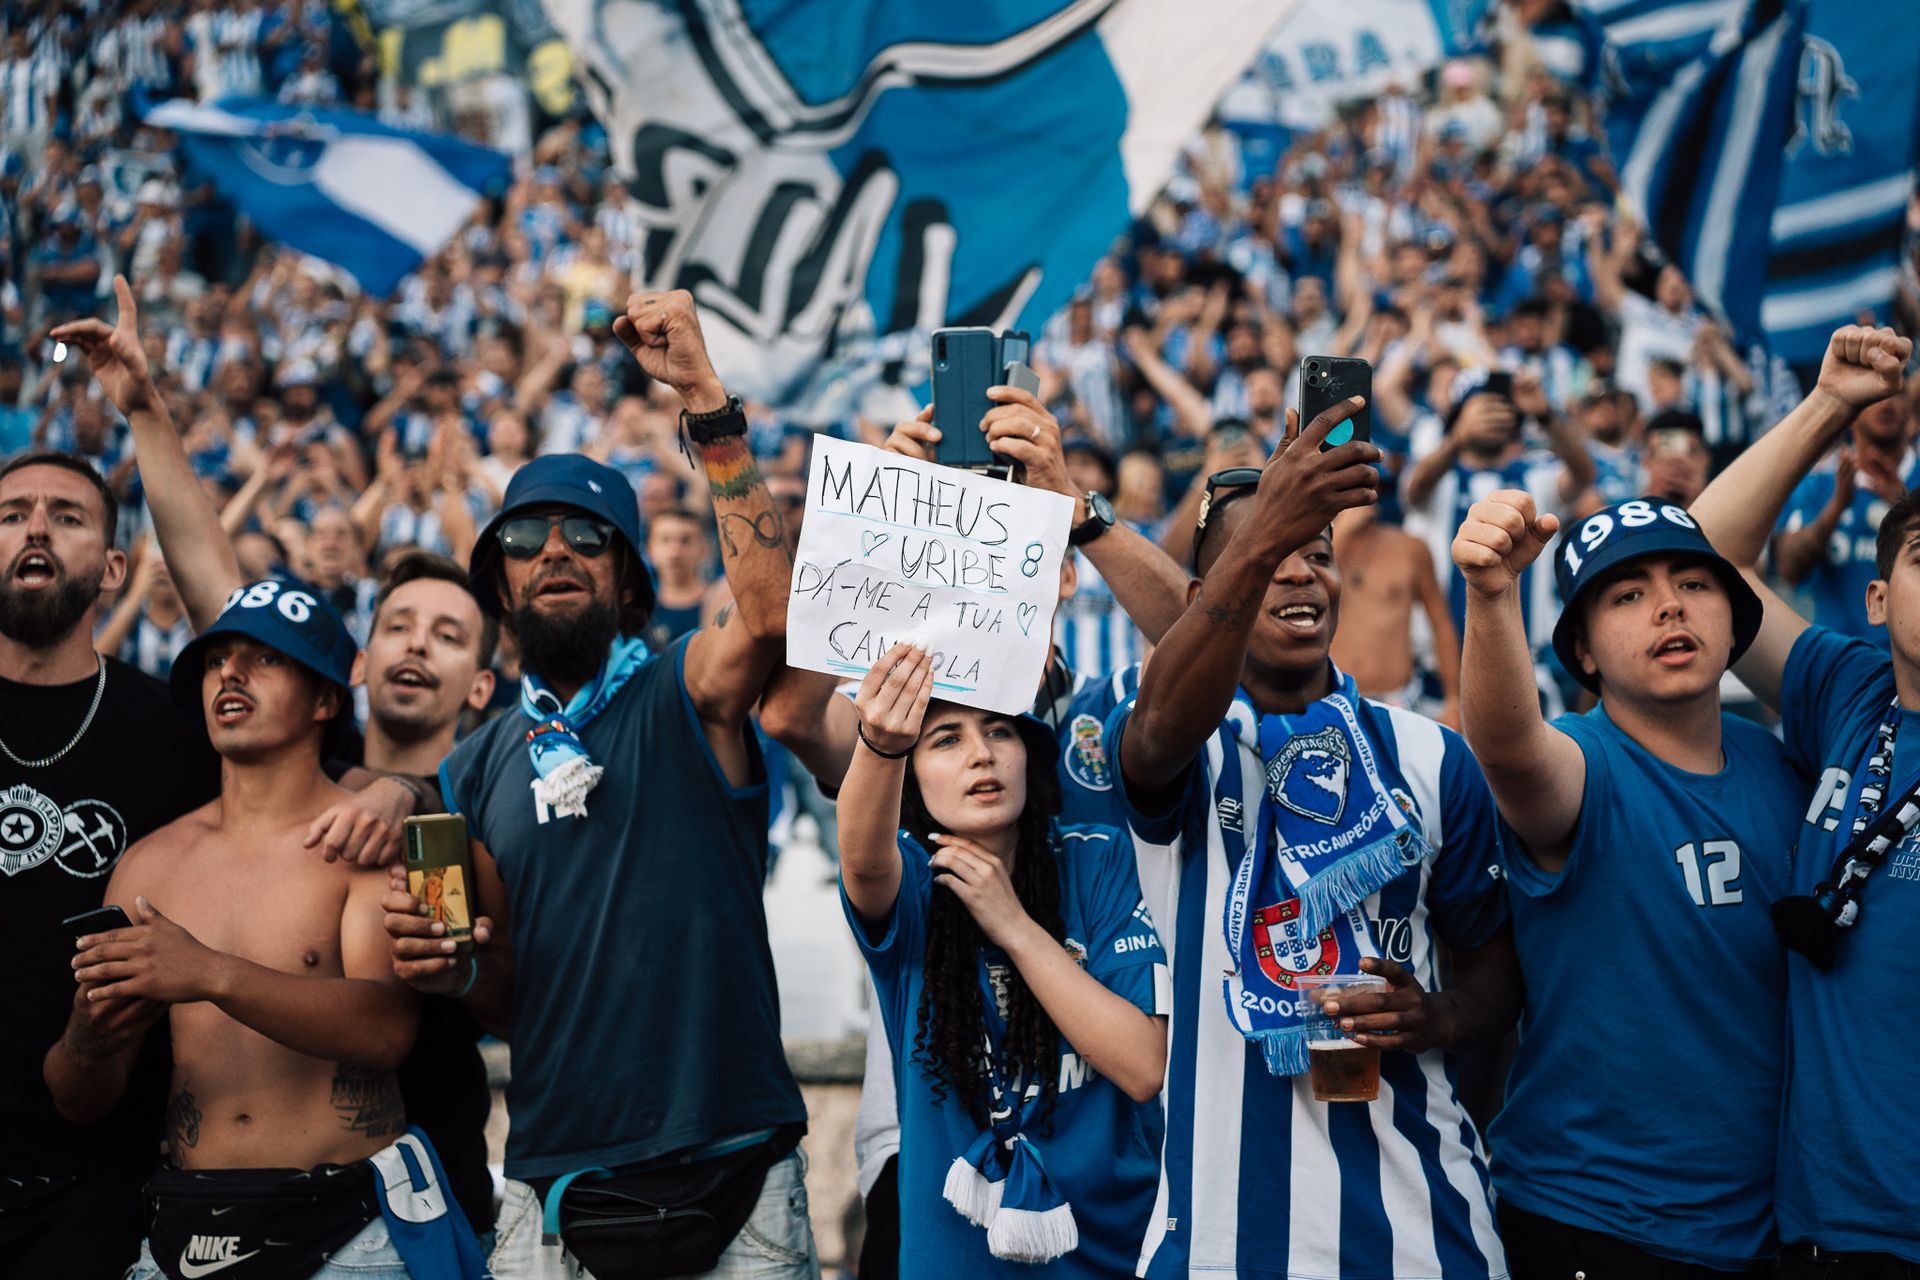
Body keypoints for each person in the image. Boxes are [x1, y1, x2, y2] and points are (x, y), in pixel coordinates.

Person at [388, 289, 820, 1279]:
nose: (554, 551)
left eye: (587, 535)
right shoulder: (468, 770)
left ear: (630, 579)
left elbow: (766, 619)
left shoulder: (683, 689)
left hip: (736, 1166)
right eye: (524, 538)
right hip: (556, 1185)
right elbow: (502, 994)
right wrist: (451, 968)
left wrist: (705, 401)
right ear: (499, 587)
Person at [1108, 398, 1517, 1278]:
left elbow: (1494, 969)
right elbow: (1158, 730)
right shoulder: (1173, 743)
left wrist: (1436, 1014)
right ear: (1202, 598)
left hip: (1421, 1237)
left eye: (1319, 554)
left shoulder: (1432, 756)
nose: (1299, 573)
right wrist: (1265, 534)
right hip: (1217, 1244)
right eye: (1270, 556)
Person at [48, 580, 482, 1280]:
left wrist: (210, 972)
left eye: (266, 659)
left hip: (350, 1232)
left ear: (325, 700)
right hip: (184, 1226)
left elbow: (386, 1032)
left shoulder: (363, 841)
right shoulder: (147, 866)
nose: (232, 673)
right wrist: (85, 1037)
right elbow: (79, 1097)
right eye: (217, 659)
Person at [1451, 489, 1799, 1277]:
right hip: (1593, 1220)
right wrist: (1492, 595)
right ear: (1582, 652)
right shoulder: (1583, 760)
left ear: (1736, 623)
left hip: (1766, 1227)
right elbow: (1509, 751)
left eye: (1695, 584)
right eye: (1628, 596)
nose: (1670, 607)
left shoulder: (1784, 764)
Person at [1688, 325, 1920, 1278]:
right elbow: (1706, 549)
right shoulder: (1850, 693)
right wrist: (1828, 406)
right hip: (1824, 1225)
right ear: (1877, 600)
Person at [837, 644, 1168, 1276]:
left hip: (1110, 1256)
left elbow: (1143, 1067)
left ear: (1028, 756)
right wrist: (880, 745)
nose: (981, 754)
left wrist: (1013, 925)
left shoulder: (1097, 859)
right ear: (912, 775)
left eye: (998, 731)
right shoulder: (912, 883)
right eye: (945, 740)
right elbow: (862, 861)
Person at [0, 450, 219, 1279]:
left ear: (114, 568)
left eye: (67, 516)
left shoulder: (173, 733)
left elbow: (316, 781)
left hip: (94, 1186)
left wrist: (394, 789)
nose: (36, 529)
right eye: (12, 514)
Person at [1773, 384, 1918, 638]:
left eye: (1897, 393)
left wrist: (1903, 505)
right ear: (1850, 413)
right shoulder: (1818, 486)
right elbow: (1789, 569)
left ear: (1910, 409)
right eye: (1876, 395)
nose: (1887, 403)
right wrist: (1837, 506)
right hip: (1842, 656)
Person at [1328, 504, 1461, 724]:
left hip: (1397, 701)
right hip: (1331, 699)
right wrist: (1339, 534)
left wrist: (1453, 701)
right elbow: (1305, 593)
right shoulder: (1310, 548)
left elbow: (1441, 623)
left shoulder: (1410, 548)